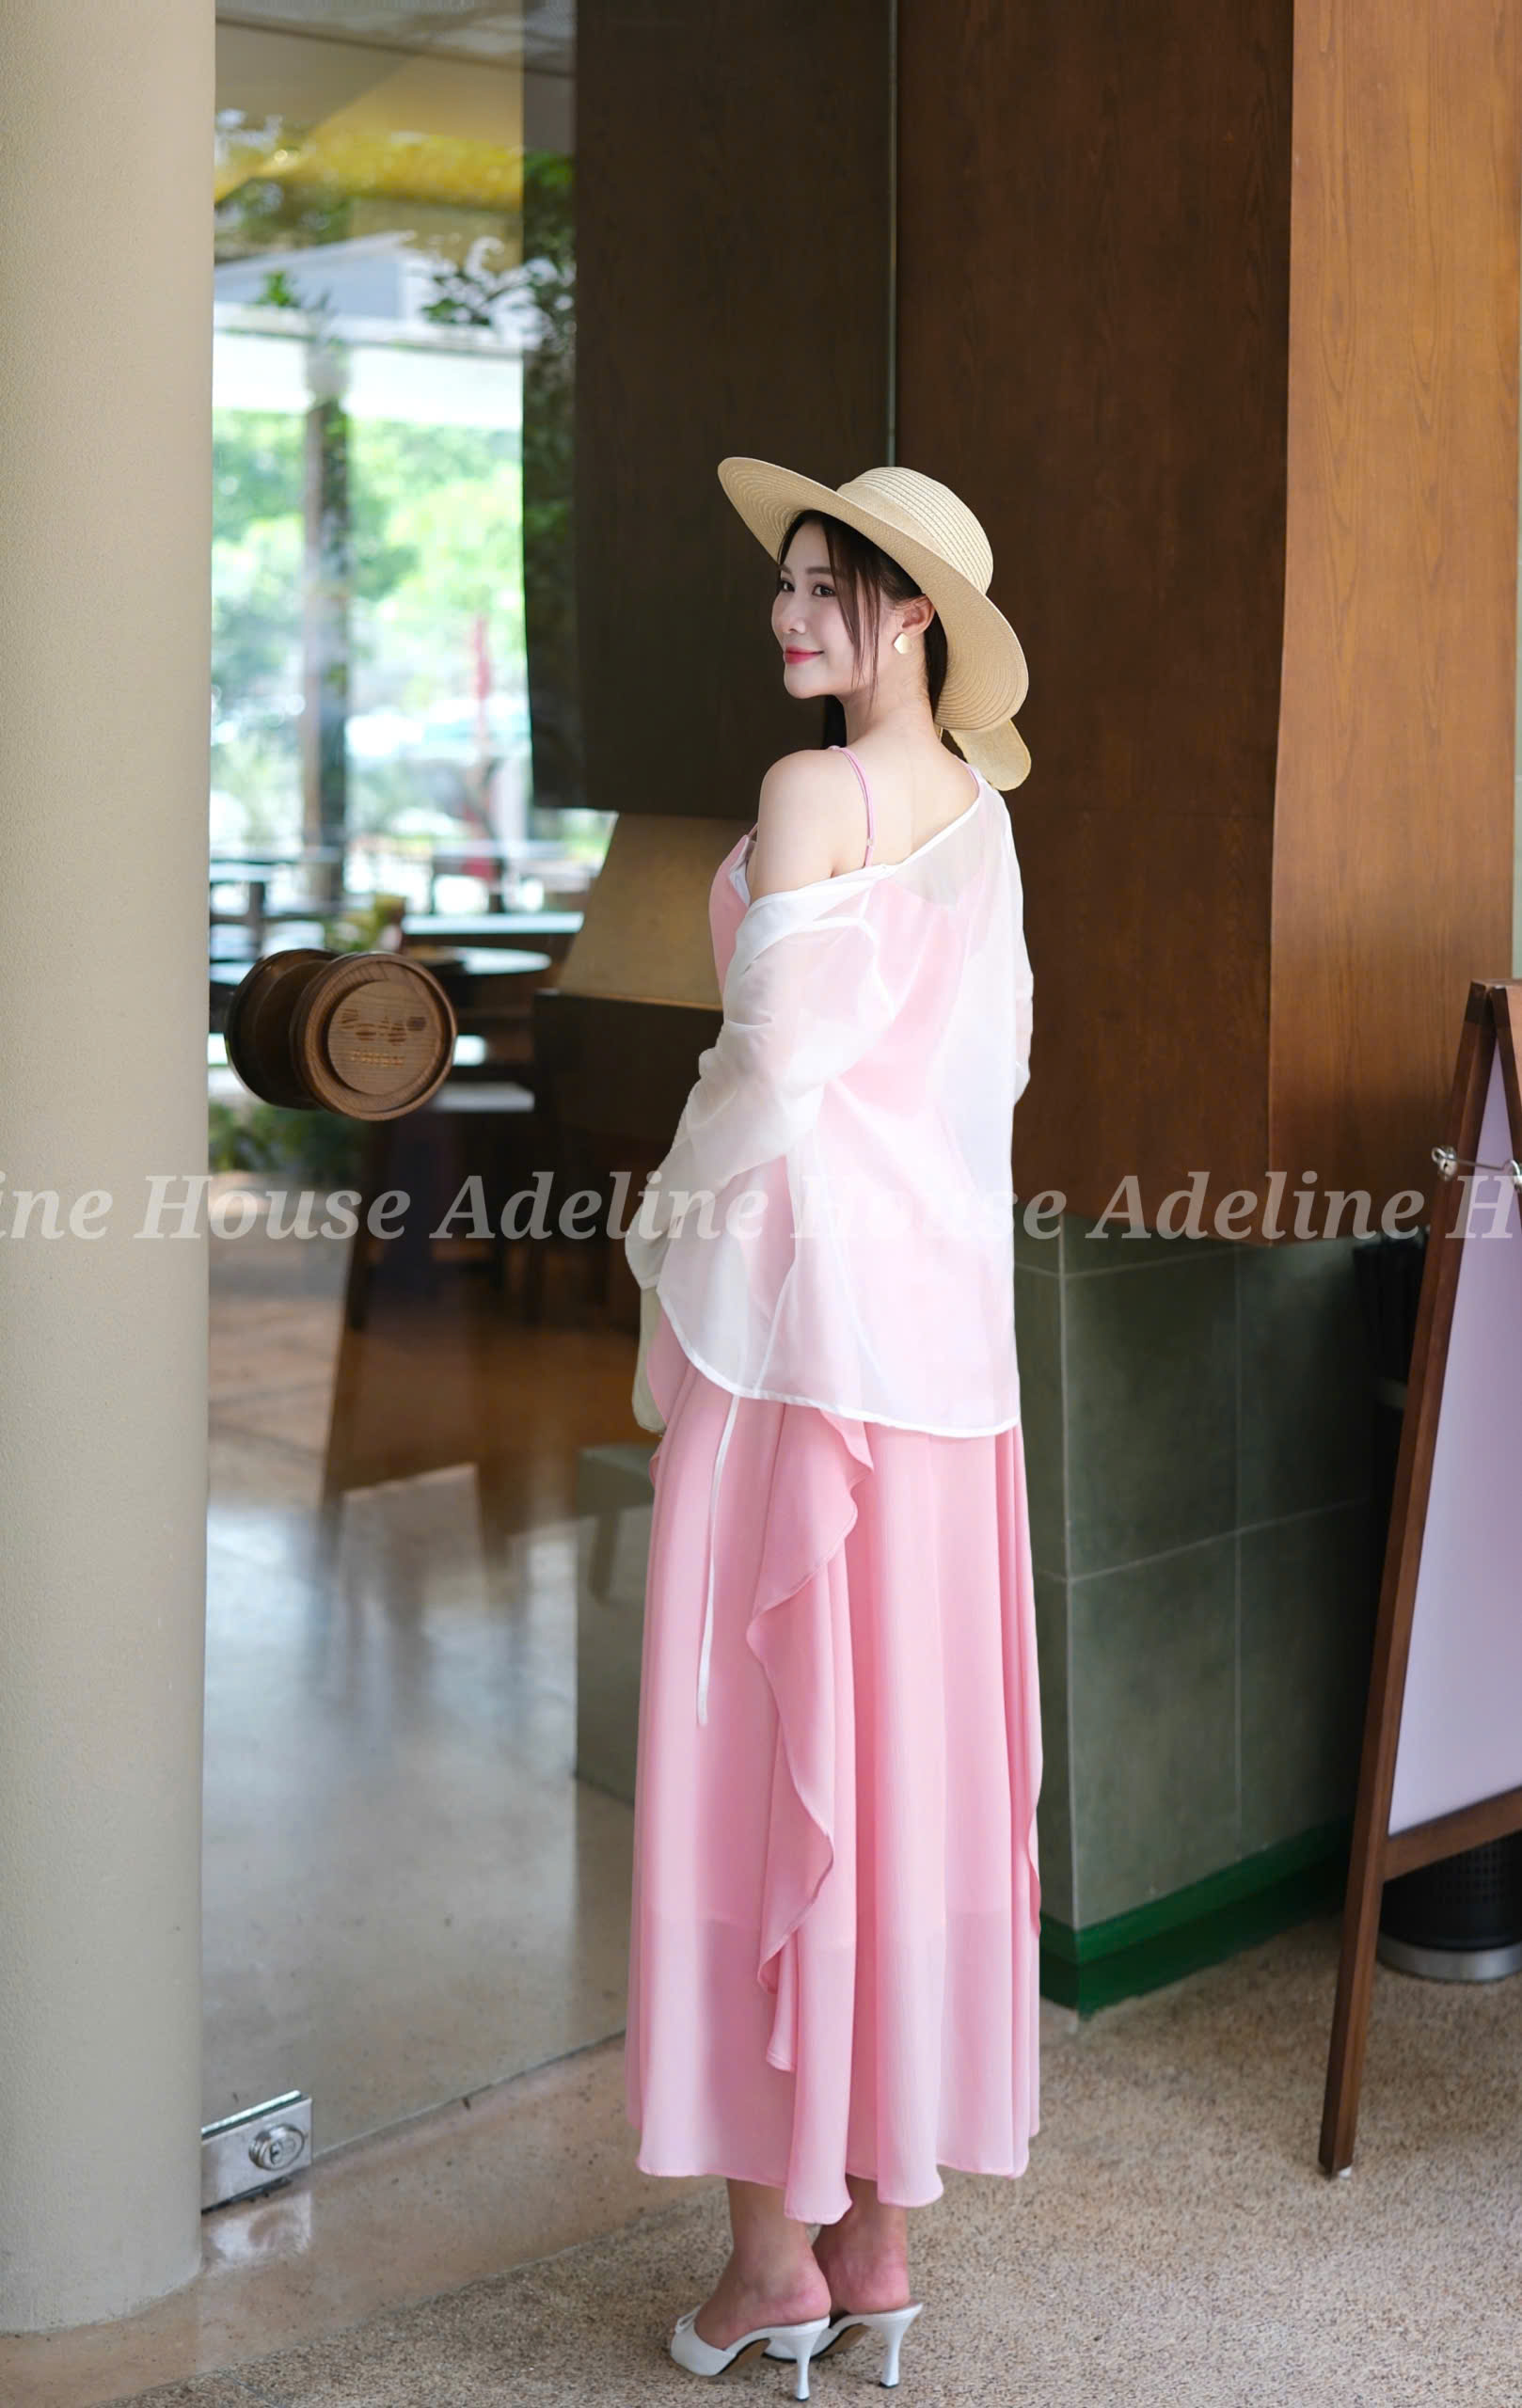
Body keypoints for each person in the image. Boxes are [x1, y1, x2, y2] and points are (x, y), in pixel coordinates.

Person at [621, 458, 1040, 2398]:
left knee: (756, 1757)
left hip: (794, 1342)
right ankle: (875, 2238)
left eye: (826, 585)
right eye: (784, 582)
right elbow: (987, 1077)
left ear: (913, 613)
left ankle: (769, 2260)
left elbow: (771, 1062)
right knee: (899, 1768)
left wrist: (660, 1238)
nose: (787, 613)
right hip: (938, 1358)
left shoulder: (813, 794)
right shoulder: (983, 816)